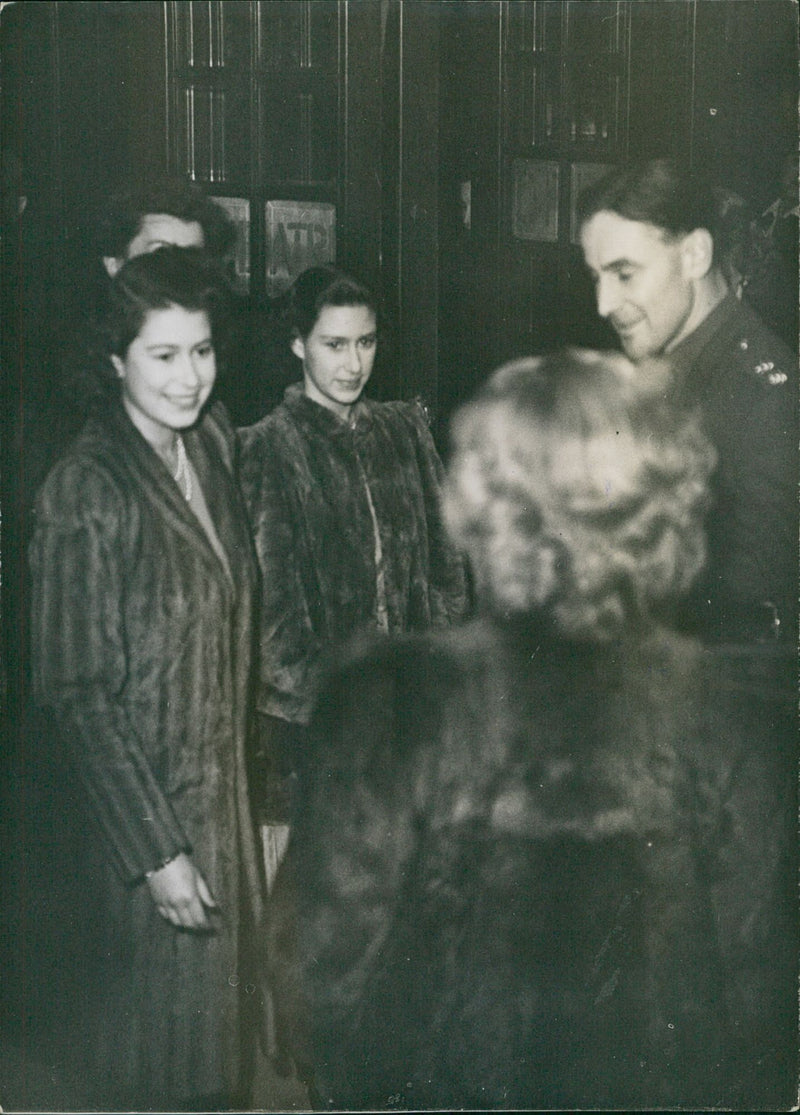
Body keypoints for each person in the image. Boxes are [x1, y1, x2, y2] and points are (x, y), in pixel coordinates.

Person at [267, 349, 797, 1111]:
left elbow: (322, 975)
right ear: (666, 505)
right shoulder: (738, 720)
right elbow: (760, 1006)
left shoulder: (390, 698)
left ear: (482, 504)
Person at [28, 247, 266, 1110]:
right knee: (156, 1068)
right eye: (163, 355)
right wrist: (158, 851)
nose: (188, 377)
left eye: (201, 350)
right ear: (114, 360)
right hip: (142, 837)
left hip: (223, 812)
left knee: (216, 1065)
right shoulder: (85, 489)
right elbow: (76, 696)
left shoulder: (210, 443)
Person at [238, 265, 468, 860]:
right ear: (297, 344)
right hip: (313, 747)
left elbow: (447, 571)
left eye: (365, 343)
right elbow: (275, 629)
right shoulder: (267, 447)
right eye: (333, 345)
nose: (353, 364)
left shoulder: (405, 431)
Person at [577, 157, 797, 647]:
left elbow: (752, 608)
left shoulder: (764, 399)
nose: (604, 304)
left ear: (695, 254)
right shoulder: (664, 365)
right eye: (596, 277)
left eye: (625, 274)